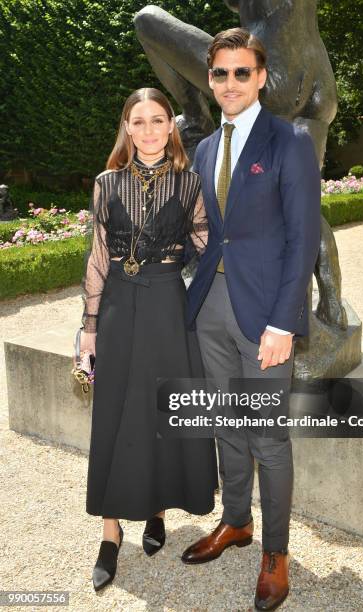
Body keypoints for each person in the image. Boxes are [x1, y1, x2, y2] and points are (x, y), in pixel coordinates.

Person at [182, 29, 321, 611]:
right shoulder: (207, 147)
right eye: (220, 74)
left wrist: (284, 323)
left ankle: (276, 552)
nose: (231, 83)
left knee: (268, 436)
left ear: (261, 78)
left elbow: (303, 238)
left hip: (265, 317)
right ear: (210, 80)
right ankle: (236, 521)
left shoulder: (289, 141)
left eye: (242, 72)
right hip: (211, 308)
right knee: (226, 425)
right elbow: (213, 232)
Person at [79, 87, 218, 592]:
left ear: (170, 127)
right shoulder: (106, 182)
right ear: (127, 128)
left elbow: (208, 247)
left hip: (165, 304)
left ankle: (156, 510)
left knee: (162, 410)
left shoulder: (190, 184)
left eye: (157, 120)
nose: (148, 130)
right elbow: (97, 256)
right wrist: (89, 329)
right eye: (138, 122)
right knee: (114, 412)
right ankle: (111, 531)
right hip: (116, 304)